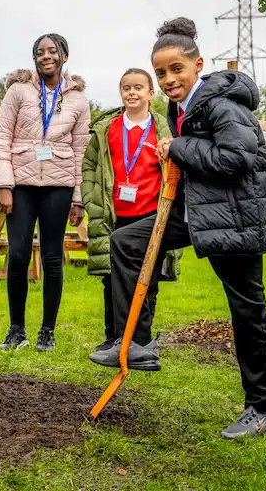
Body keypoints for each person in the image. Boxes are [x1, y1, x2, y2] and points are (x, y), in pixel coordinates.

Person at [89, 17, 266, 439]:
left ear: (198, 65)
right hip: (197, 213)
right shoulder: (180, 108)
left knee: (246, 311)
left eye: (177, 69)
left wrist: (178, 147)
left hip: (235, 219)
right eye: (161, 73)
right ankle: (137, 342)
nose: (169, 79)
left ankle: (261, 409)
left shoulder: (223, 104)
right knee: (126, 241)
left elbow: (237, 159)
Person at [0, 33, 91, 352]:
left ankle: (47, 331)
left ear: (64, 55)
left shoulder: (78, 99)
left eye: (52, 51)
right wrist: (4, 185)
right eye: (39, 52)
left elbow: (81, 150)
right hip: (21, 185)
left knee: (52, 258)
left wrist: (78, 198)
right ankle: (16, 330)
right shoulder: (18, 91)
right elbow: (0, 137)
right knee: (18, 255)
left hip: (59, 187)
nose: (45, 56)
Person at [81, 68, 180, 364]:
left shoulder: (164, 129)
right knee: (111, 279)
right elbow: (89, 166)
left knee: (147, 279)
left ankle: (142, 338)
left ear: (151, 93)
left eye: (139, 87)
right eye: (126, 88)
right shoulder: (108, 129)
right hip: (114, 216)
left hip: (150, 216)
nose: (132, 93)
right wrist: (91, 200)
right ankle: (114, 336)